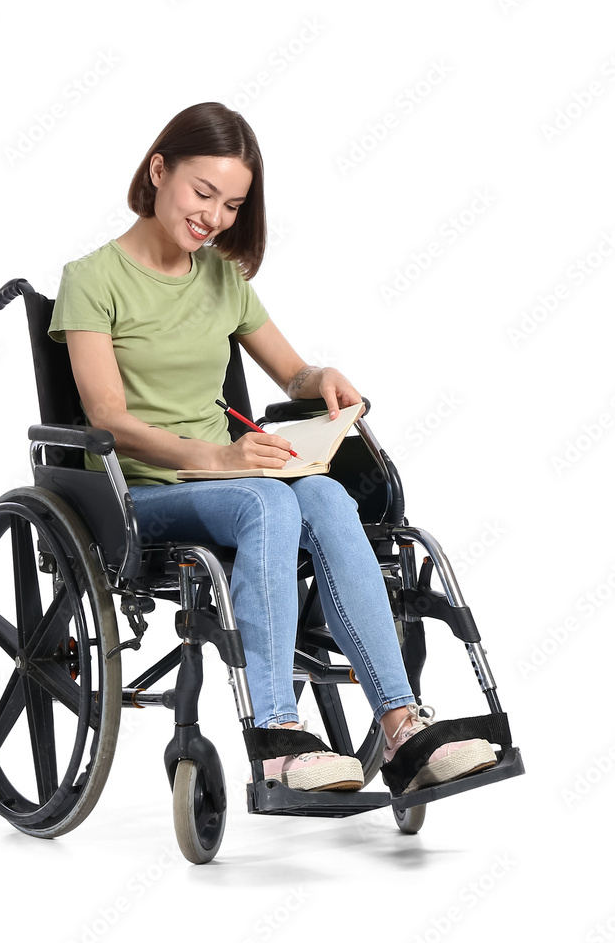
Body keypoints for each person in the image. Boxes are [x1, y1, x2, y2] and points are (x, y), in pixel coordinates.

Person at [48, 101, 496, 794]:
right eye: (203, 193)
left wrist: (321, 379)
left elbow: (292, 375)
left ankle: (402, 728)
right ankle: (276, 736)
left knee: (326, 494)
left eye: (232, 205)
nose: (214, 217)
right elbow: (108, 419)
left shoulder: (222, 279)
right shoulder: (93, 278)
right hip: (136, 494)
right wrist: (217, 458)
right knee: (268, 503)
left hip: (228, 488)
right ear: (159, 171)